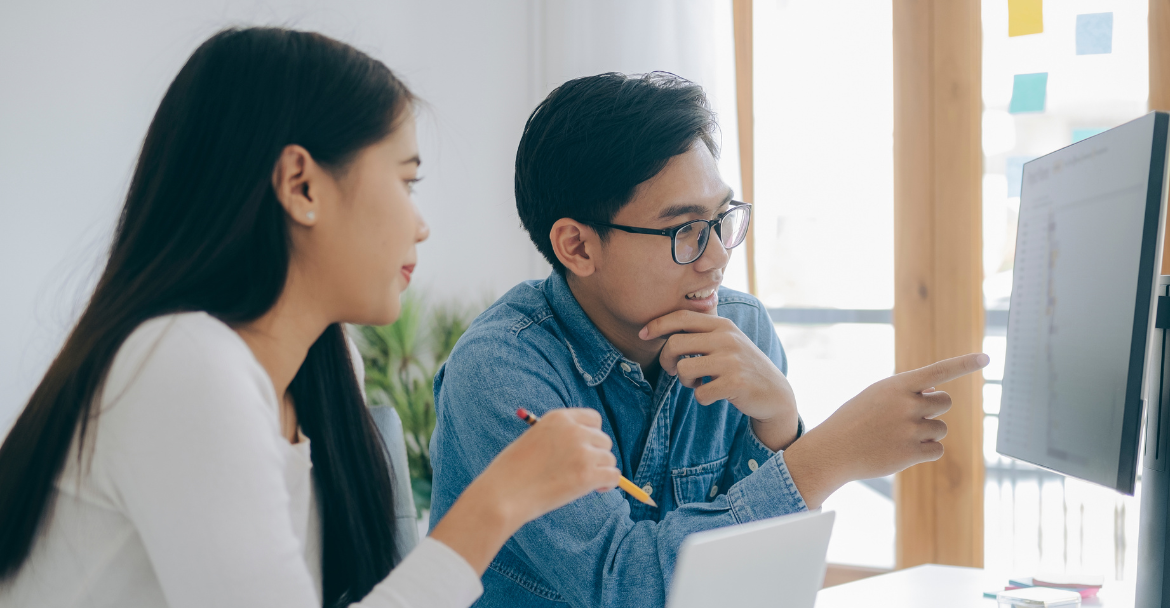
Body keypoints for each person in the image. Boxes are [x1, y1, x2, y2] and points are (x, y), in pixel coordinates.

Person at [0, 27, 622, 608]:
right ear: (301, 185)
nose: (422, 225)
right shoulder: (184, 362)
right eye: (406, 183)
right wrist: (500, 499)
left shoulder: (323, 363)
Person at [428, 72, 989, 608]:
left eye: (722, 219)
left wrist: (782, 427)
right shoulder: (500, 370)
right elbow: (628, 587)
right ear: (577, 247)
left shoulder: (742, 331)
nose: (719, 256)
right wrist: (826, 457)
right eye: (685, 230)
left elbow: (765, 582)